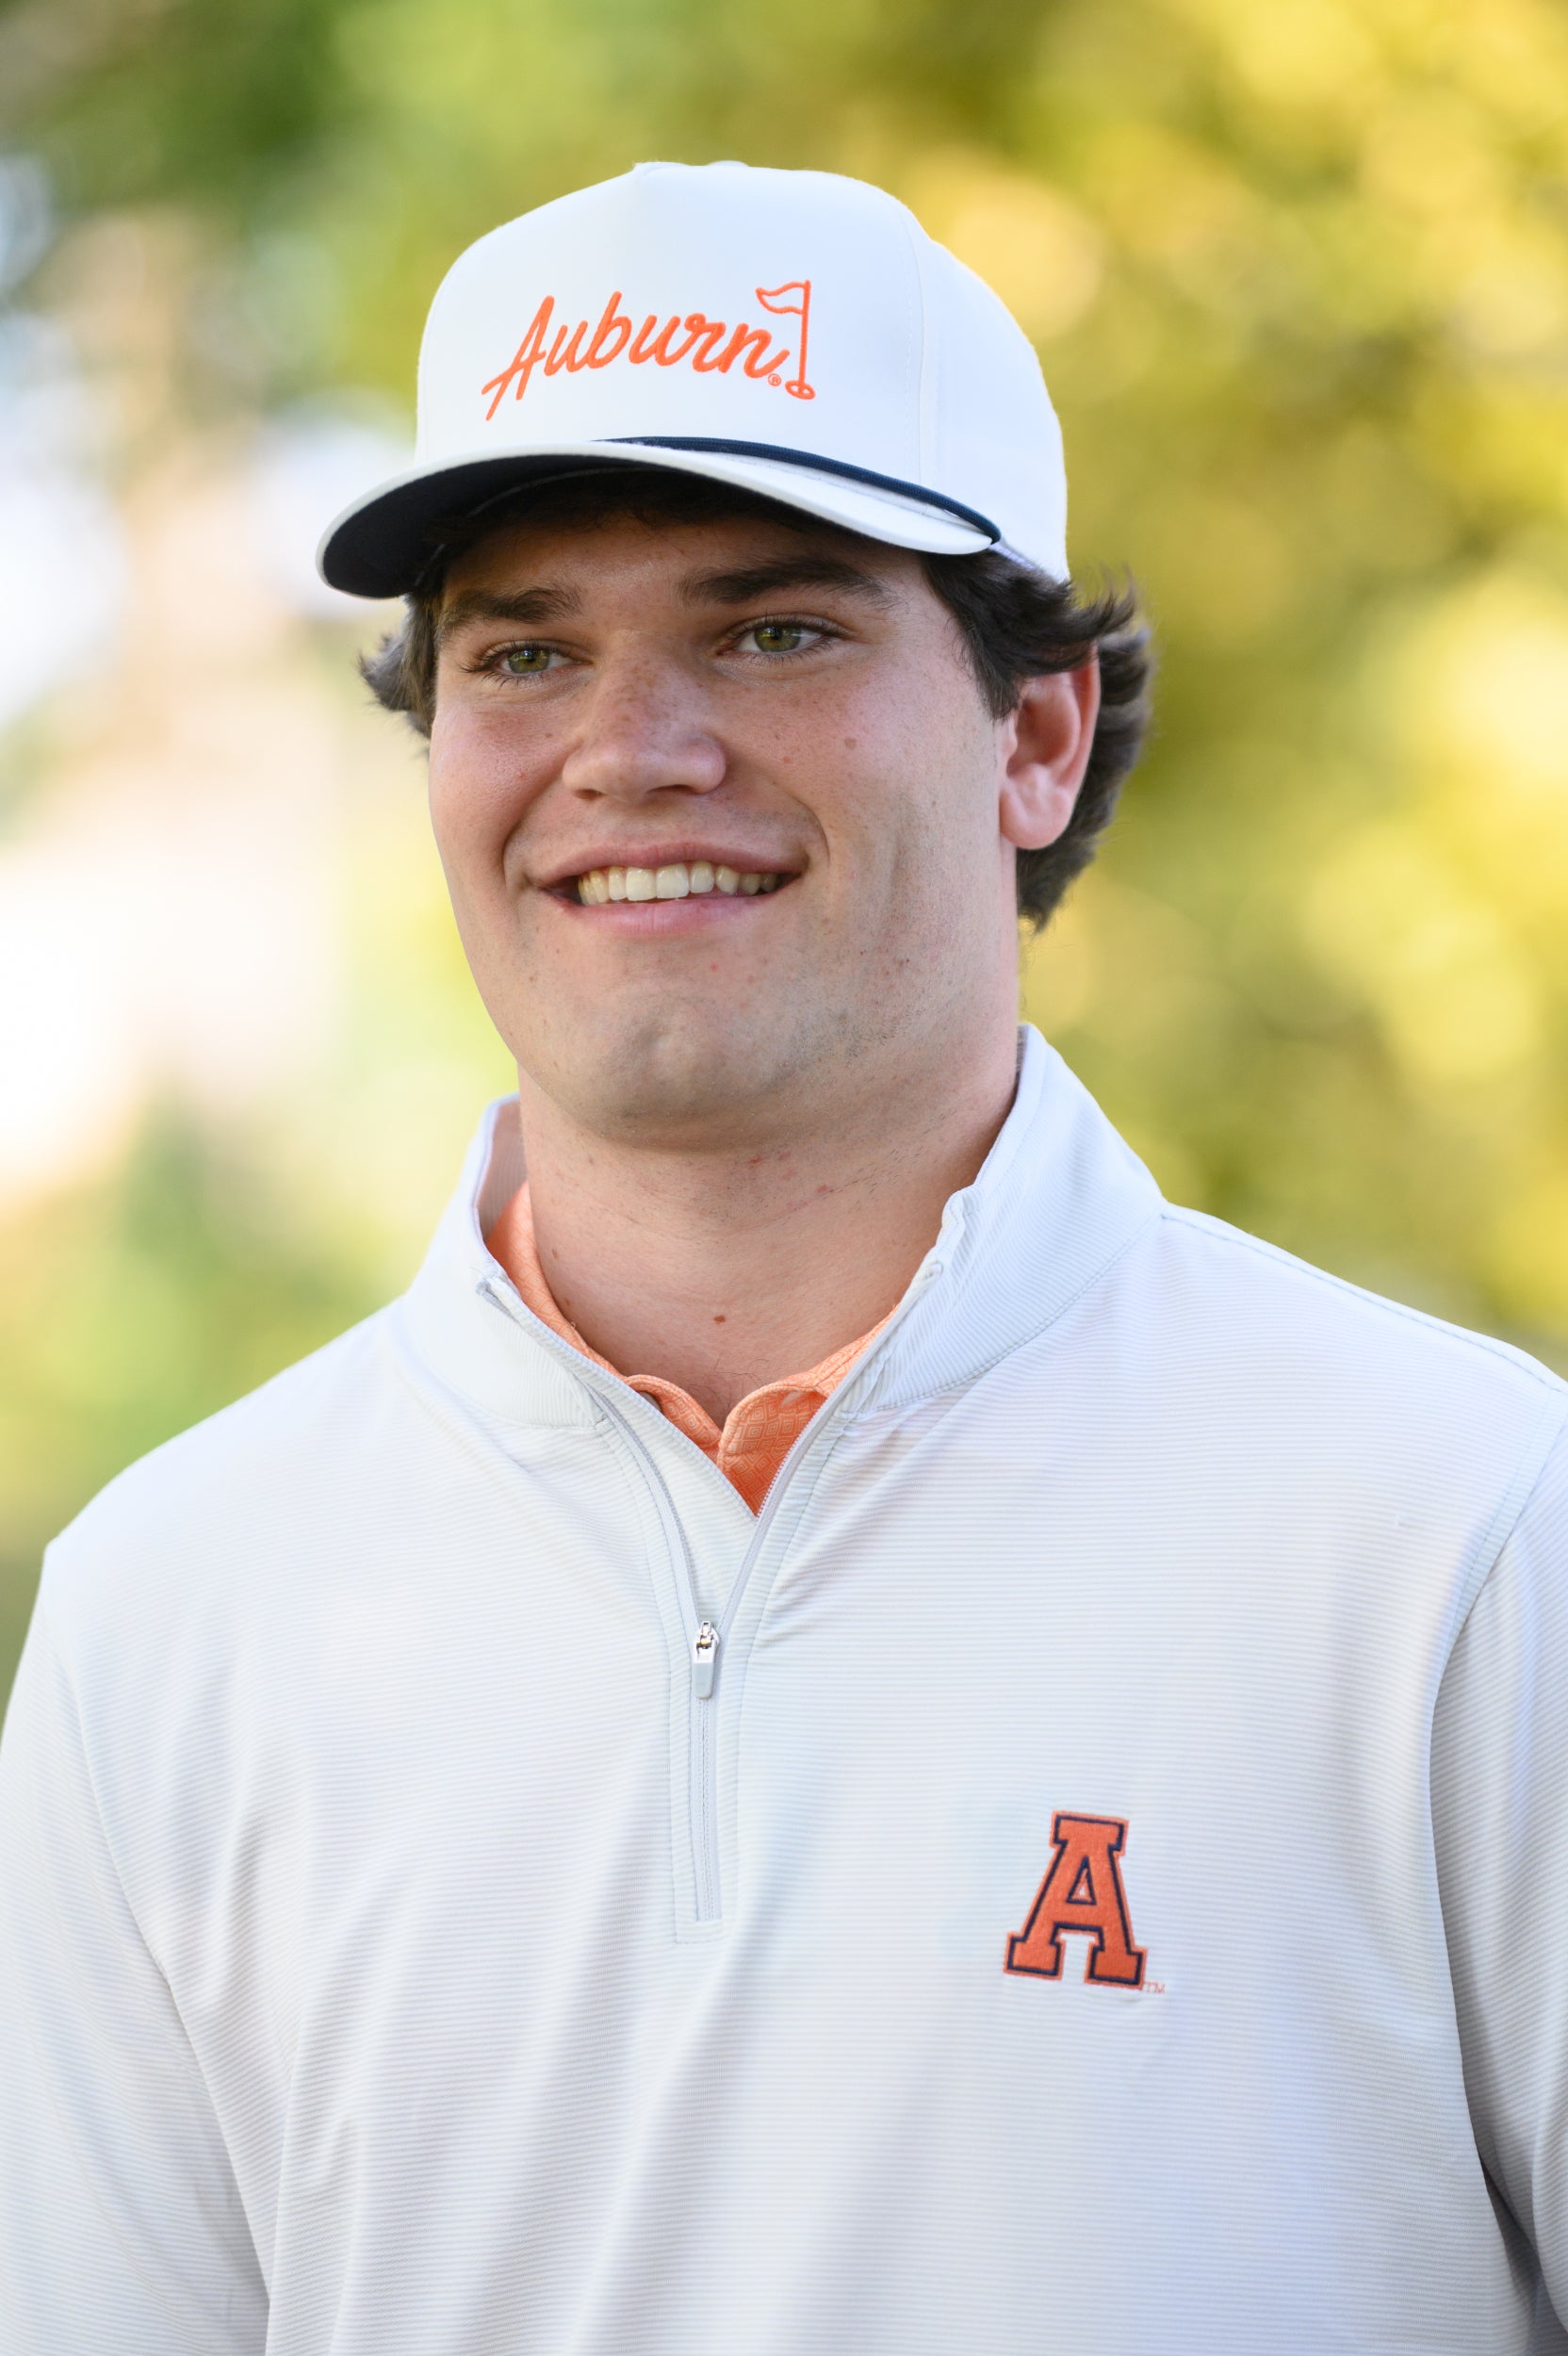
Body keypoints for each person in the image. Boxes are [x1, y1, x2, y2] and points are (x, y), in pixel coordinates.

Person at [2, 158, 1565, 2356]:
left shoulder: (1465, 1534)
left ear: (1031, 735)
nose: (632, 751)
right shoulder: (170, 1611)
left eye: (775, 627)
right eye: (524, 648)